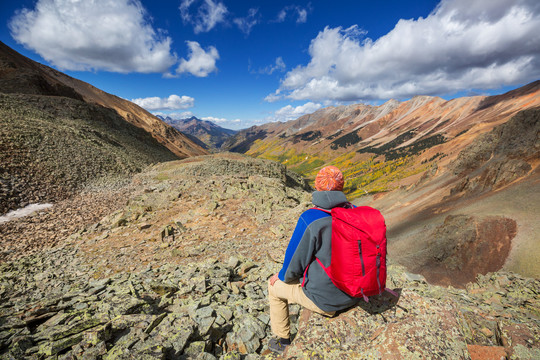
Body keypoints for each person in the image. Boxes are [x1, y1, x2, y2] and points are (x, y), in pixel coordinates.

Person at [267, 166, 360, 354]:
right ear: (341, 187)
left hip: (327, 300)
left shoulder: (310, 217)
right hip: (359, 291)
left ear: (317, 186)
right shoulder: (356, 212)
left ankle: (282, 340)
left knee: (273, 288)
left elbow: (294, 263)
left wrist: (281, 276)